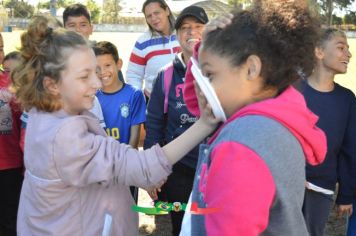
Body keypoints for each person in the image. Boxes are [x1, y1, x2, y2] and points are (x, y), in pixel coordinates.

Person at [10, 15, 218, 235]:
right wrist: (204, 124)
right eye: (84, 76)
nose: (97, 83)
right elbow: (144, 167)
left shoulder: (46, 112)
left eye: (96, 72)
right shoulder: (65, 137)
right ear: (52, 84)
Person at [179, 1, 328, 235]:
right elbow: (200, 104)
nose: (203, 88)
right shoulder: (277, 117)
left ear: (251, 69)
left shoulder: (240, 145)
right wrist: (205, 50)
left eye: (210, 74)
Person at [144, 5, 208, 236]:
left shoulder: (220, 71)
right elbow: (153, 125)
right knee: (181, 226)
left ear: (207, 31)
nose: (192, 32)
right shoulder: (166, 75)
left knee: (213, 225)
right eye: (185, 28)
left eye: (198, 26)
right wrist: (152, 171)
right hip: (178, 171)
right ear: (177, 35)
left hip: (213, 169)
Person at [296, 28, 356, 236]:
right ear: (319, 52)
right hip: (287, 183)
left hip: (322, 188)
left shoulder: (347, 99)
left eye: (348, 49)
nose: (348, 54)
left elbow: (350, 149)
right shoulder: (293, 91)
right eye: (341, 48)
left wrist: (346, 194)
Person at [93, 41, 146, 202]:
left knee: (127, 213)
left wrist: (124, 164)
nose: (103, 72)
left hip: (126, 167)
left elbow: (135, 134)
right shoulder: (91, 96)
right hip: (100, 168)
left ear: (118, 64)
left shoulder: (134, 95)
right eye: (97, 68)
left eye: (107, 65)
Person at [126, 0, 180, 100]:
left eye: (156, 13)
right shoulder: (142, 42)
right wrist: (138, 99)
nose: (153, 18)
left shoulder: (183, 34)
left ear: (167, 11)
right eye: (149, 16)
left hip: (184, 102)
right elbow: (133, 75)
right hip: (154, 103)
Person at [0, 33, 23, 236]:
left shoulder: (10, 81)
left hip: (9, 164)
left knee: (10, 220)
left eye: (0, 47)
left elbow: (24, 124)